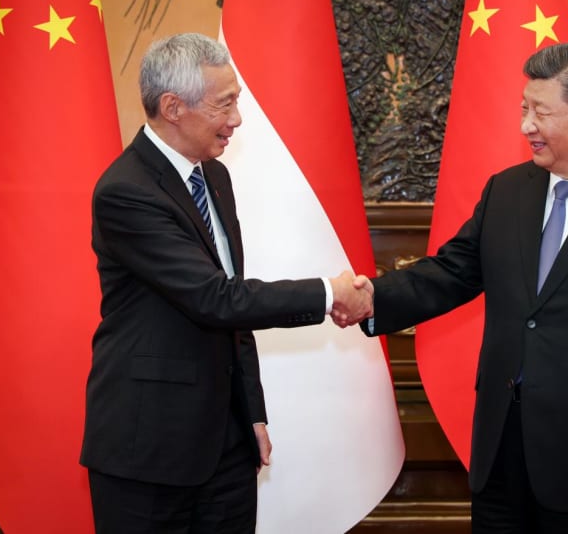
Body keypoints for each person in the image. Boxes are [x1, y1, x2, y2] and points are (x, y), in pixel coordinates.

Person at [349, 42, 568, 533]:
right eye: (524, 108)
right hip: (501, 452)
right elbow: (451, 272)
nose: (525, 126)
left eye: (540, 112)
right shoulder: (507, 190)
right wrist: (370, 299)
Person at [80, 32, 370, 534]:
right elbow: (216, 299)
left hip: (227, 447)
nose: (237, 120)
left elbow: (231, 308)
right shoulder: (125, 192)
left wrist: (250, 412)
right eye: (226, 104)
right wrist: (328, 293)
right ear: (173, 106)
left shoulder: (213, 176)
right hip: (148, 449)